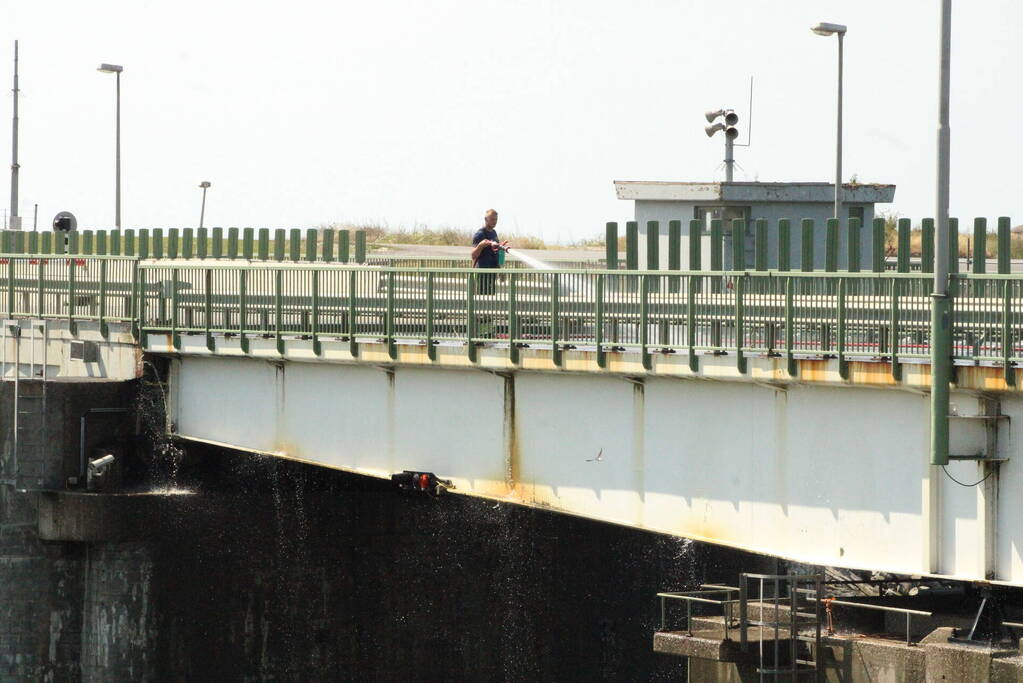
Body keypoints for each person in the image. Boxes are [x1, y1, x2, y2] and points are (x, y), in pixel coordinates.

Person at [470, 209, 508, 295]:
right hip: (482, 273)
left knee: (490, 299)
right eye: (492, 219)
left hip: (492, 272)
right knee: (482, 299)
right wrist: (480, 245)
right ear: (486, 219)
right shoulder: (480, 234)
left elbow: (494, 251)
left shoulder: (494, 233)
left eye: (496, 219)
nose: (494, 222)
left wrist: (500, 269)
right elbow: (473, 255)